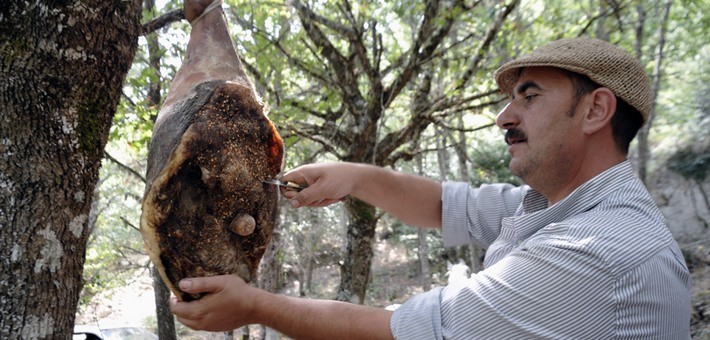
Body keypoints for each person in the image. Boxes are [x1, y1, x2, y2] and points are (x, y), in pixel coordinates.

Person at [170, 37, 692, 338]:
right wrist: (355, 176)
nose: (503, 116)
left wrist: (255, 306)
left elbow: (401, 332)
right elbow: (448, 204)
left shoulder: (597, 250)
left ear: (596, 110)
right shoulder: (563, 207)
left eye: (528, 96)